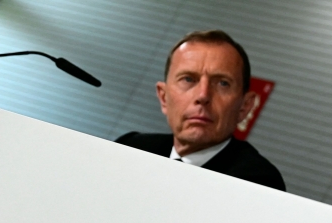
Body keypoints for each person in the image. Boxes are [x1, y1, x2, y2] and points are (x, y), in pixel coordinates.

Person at [117, 30, 285, 191]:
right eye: (188, 79)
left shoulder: (258, 183)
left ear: (244, 106)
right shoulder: (129, 148)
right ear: (164, 98)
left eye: (222, 83)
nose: (203, 95)